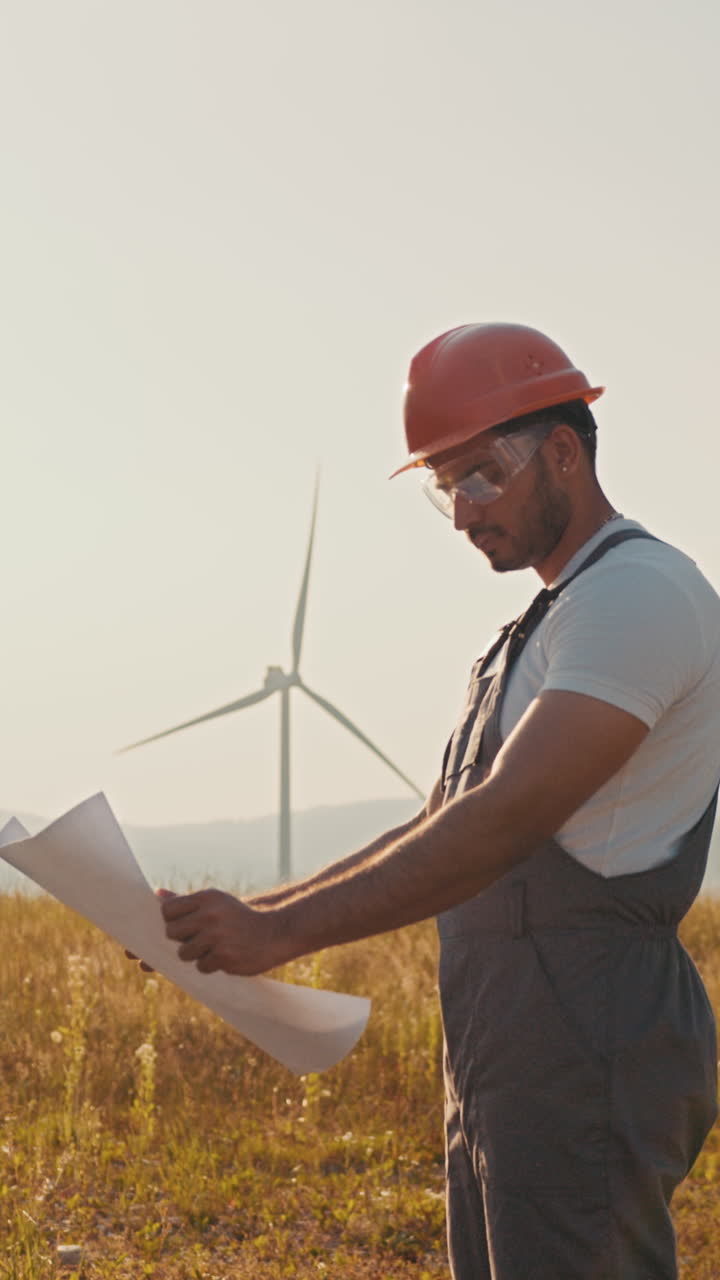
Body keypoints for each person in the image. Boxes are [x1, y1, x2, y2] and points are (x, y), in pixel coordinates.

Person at [157, 323, 720, 1279]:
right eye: (443, 486)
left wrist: (281, 935)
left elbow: (501, 823)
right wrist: (244, 919)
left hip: (588, 1043)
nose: (462, 512)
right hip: (510, 1047)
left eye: (481, 477)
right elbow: (437, 825)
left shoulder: (640, 597)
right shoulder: (548, 620)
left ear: (563, 450)